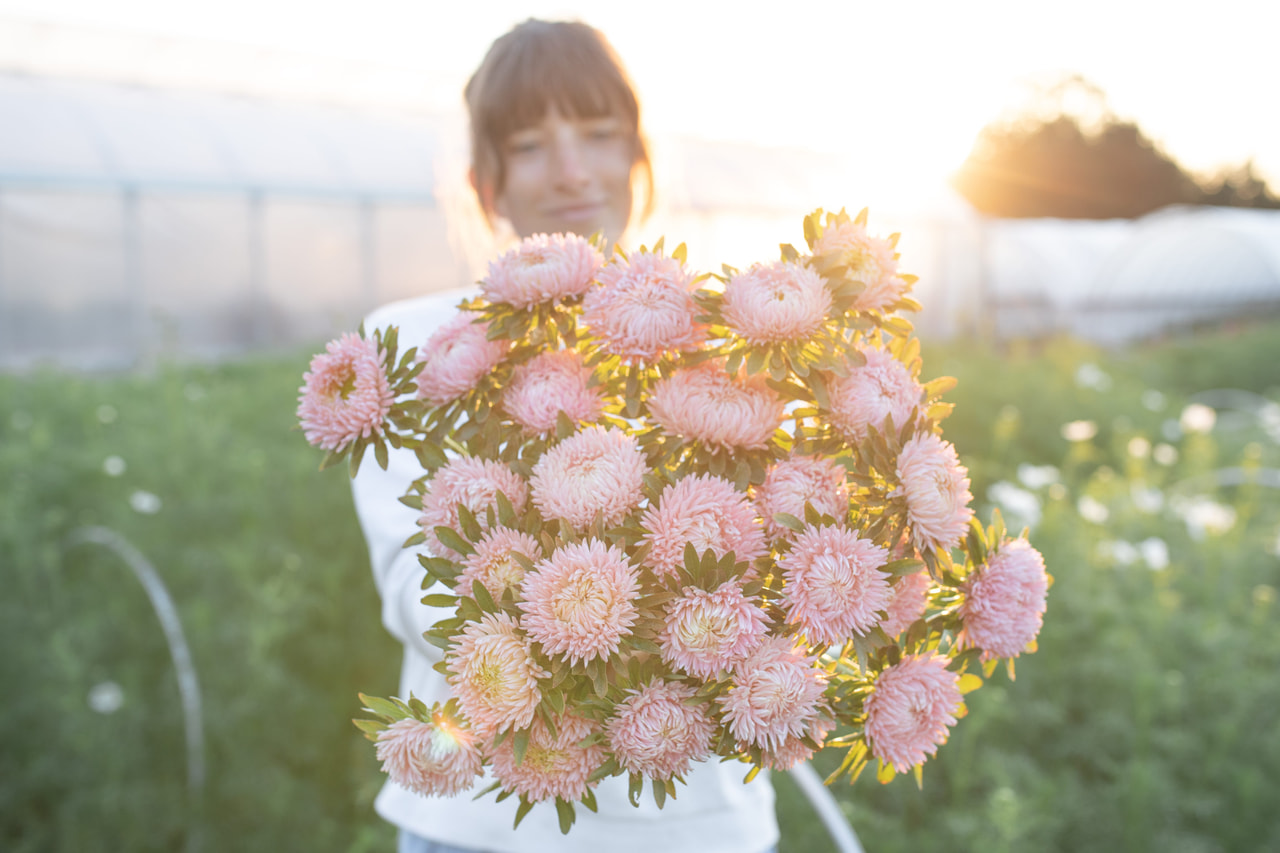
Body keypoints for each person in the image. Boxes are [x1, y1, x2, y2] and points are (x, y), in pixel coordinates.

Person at [349, 19, 780, 853]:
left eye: (597, 135)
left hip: (696, 823)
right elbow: (412, 582)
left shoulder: (731, 340)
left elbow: (787, 557)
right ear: (488, 183)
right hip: (482, 820)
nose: (574, 171)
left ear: (638, 158)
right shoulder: (416, 343)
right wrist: (582, 612)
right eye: (532, 144)